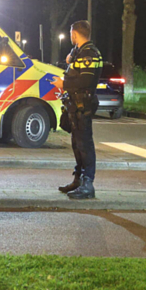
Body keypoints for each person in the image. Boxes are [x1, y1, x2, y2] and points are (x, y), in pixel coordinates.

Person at [51, 20, 102, 200]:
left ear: (74, 34)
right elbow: (73, 64)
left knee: (85, 145)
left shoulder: (89, 54)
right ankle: (78, 180)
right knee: (77, 145)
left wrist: (63, 84)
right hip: (75, 106)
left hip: (83, 106)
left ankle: (88, 185)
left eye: (71, 33)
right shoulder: (81, 52)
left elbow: (85, 82)